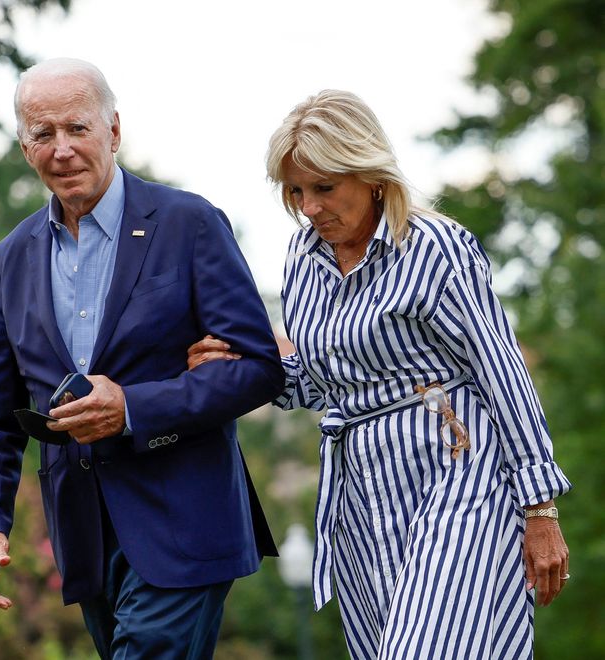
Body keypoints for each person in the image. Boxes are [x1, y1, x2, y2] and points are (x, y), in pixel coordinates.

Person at [187, 90, 571, 659]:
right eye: (295, 191)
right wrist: (243, 366)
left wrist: (539, 506)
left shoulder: (437, 249)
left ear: (369, 175)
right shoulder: (301, 257)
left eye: (323, 188)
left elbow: (501, 372)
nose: (309, 207)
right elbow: (321, 384)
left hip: (456, 469)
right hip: (360, 489)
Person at [0, 58, 285, 659]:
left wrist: (134, 406)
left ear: (113, 130)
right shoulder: (10, 257)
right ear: (23, 145)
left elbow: (260, 367)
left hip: (186, 518)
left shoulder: (189, 224)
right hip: (84, 533)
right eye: (42, 134)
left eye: (77, 129)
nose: (61, 150)